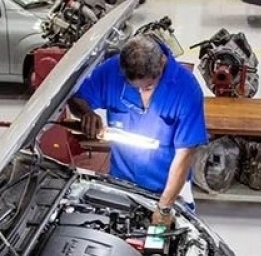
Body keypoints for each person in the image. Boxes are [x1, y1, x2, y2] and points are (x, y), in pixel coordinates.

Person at [69, 35, 208, 226]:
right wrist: (86, 113)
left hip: (168, 189)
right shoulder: (112, 70)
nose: (142, 93)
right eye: (134, 87)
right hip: (122, 183)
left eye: (148, 87)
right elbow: (77, 98)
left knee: (165, 237)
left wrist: (165, 207)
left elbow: (185, 154)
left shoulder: (186, 89)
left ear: (162, 63)